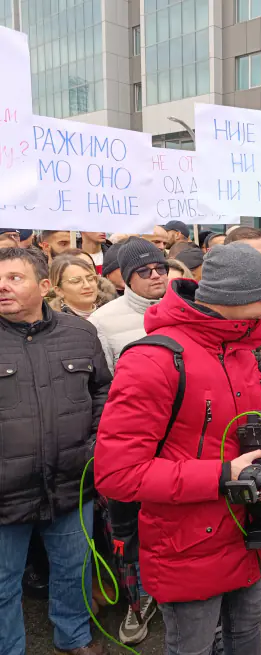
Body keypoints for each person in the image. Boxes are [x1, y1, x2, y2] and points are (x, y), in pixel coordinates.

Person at [95, 243, 261, 655]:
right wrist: (225, 475)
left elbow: (260, 419)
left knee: (247, 634)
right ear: (233, 297)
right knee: (193, 646)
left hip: (248, 528)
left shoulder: (241, 346)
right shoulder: (153, 359)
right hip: (186, 543)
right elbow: (116, 475)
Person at [0, 247, 112, 655]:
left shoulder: (79, 333)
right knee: (2, 584)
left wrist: (96, 444)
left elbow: (103, 390)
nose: (2, 286)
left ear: (44, 286)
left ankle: (74, 636)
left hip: (71, 482)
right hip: (5, 490)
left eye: (14, 277)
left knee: (73, 570)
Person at [89, 238, 169, 374]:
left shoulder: (187, 309)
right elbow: (104, 384)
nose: (155, 275)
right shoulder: (100, 322)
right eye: (144, 271)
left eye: (160, 268)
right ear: (128, 278)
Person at [48, 255, 115, 318]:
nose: (87, 285)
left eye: (90, 279)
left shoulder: (112, 312)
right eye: (76, 281)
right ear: (59, 290)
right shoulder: (54, 323)